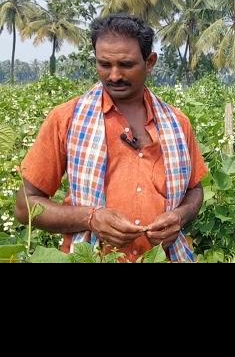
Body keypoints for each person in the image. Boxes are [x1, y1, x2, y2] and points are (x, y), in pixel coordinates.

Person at [15, 14, 208, 262]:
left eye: (126, 65)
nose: (114, 75)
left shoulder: (177, 123)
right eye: (104, 64)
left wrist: (180, 216)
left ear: (150, 62)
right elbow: (24, 205)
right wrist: (91, 218)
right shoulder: (67, 119)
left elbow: (195, 190)